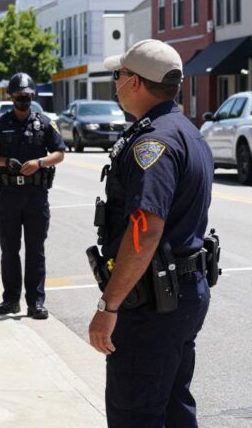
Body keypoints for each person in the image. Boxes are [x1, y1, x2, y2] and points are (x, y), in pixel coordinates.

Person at [87, 39, 213, 427]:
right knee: (174, 406)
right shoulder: (186, 132)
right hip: (182, 296)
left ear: (137, 82)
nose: (117, 81)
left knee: (136, 413)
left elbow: (146, 230)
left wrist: (108, 306)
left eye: (120, 75)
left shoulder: (152, 143)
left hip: (151, 305)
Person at [0, 73, 65, 320]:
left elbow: (59, 152)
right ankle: (10, 300)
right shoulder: (0, 123)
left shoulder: (44, 122)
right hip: (8, 194)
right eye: (19, 96)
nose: (23, 100)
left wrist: (40, 162)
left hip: (36, 194)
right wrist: (5, 161)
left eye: (27, 96)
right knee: (9, 249)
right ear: (11, 96)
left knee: (35, 250)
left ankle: (36, 303)